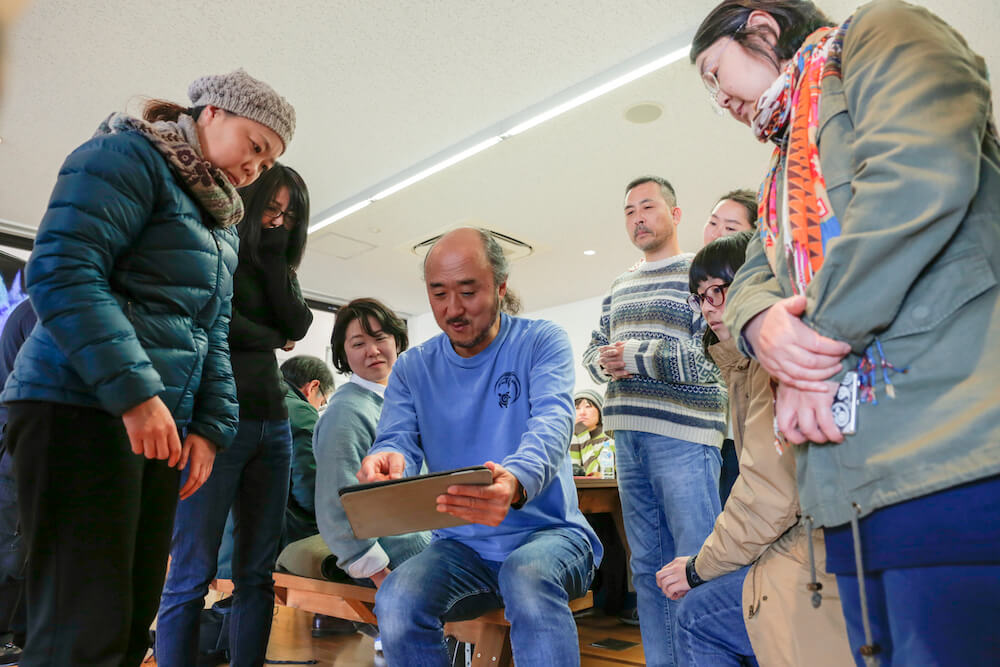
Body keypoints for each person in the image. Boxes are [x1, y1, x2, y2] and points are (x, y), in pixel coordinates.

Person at [691, 2, 1000, 664]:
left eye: (716, 73)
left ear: (765, 27)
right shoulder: (778, 173)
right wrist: (759, 323)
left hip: (958, 446)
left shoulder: (880, 34)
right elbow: (752, 273)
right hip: (853, 488)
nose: (720, 100)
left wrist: (812, 351)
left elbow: (920, 172)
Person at [0, 67, 293, 666]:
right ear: (211, 112)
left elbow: (210, 332)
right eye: (255, 147)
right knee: (80, 623)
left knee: (132, 620)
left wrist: (212, 429)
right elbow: (61, 271)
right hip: (78, 405)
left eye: (268, 164)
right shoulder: (124, 154)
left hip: (158, 425)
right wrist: (136, 394)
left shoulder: (221, 223)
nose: (255, 169)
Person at [358, 228, 601, 667]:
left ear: (501, 288)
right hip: (461, 548)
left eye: (468, 292)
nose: (453, 309)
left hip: (550, 535)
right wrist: (389, 459)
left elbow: (551, 423)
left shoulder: (540, 342)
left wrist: (515, 481)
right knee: (396, 598)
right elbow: (397, 441)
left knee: (526, 577)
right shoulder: (414, 367)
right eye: (438, 294)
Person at [656, 231, 851, 666]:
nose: (709, 305)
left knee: (695, 615)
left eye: (719, 290)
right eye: (700, 296)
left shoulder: (769, 361)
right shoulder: (742, 367)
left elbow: (769, 495)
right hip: (814, 541)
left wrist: (697, 568)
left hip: (826, 552)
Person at [156, 161, 313, 667]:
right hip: (217, 425)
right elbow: (218, 326)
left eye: (289, 215)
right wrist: (273, 337)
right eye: (272, 207)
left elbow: (299, 323)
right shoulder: (216, 245)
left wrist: (273, 259)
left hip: (274, 427)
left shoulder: (274, 265)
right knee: (191, 572)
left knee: (256, 575)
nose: (278, 220)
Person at [582, 176, 727, 666]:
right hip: (628, 437)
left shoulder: (698, 273)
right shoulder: (619, 284)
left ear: (675, 213)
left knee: (700, 562)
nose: (638, 217)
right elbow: (592, 352)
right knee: (646, 568)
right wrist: (604, 362)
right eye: (629, 211)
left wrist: (636, 356)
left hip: (684, 437)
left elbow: (714, 356)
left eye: (647, 206)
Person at [702, 188, 756, 506]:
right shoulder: (701, 285)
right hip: (717, 438)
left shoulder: (759, 288)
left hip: (752, 435)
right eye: (713, 222)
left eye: (731, 227)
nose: (718, 233)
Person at [0, 298, 33, 664]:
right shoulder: (41, 310)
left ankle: (24, 636)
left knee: (26, 550)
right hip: (21, 440)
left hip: (31, 438)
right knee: (11, 549)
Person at [280, 354, 335, 546]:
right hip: (284, 532)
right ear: (312, 387)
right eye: (322, 402)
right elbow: (307, 481)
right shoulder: (302, 413)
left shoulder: (256, 398)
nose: (319, 408)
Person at [570, 388, 614, 477]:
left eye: (588, 406)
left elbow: (598, 474)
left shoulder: (610, 439)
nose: (582, 413)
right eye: (577, 408)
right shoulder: (570, 439)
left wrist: (583, 435)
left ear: (600, 411)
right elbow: (572, 475)